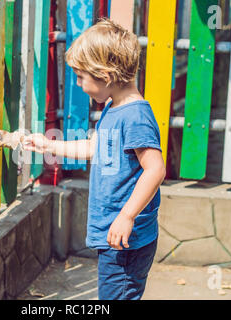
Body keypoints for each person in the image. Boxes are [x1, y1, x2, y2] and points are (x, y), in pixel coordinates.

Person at [24, 18, 166, 300]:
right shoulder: (115, 107)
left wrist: (126, 216)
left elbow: (155, 169)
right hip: (116, 236)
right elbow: (94, 148)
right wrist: (48, 144)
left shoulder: (135, 116)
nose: (77, 83)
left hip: (126, 239)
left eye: (80, 76)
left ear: (105, 74)